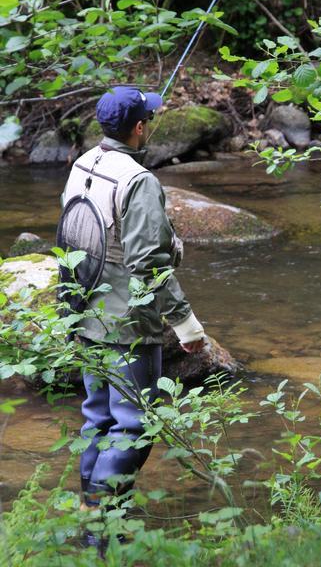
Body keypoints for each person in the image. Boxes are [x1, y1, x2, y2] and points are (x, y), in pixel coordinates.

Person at [61, 86, 205, 508]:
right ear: (139, 128)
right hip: (127, 326)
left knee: (98, 418)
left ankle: (91, 519)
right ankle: (104, 519)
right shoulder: (138, 180)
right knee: (134, 427)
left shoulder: (81, 165)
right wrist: (186, 325)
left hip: (84, 311)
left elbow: (70, 238)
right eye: (148, 119)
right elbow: (148, 265)